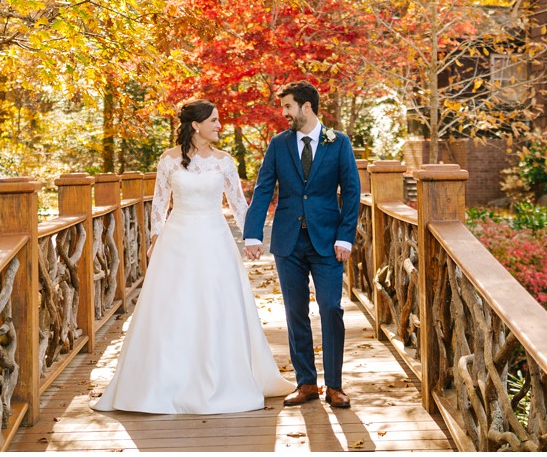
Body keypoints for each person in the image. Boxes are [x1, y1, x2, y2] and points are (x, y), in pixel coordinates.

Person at [92, 99, 292, 414]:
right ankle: (166, 382)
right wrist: (155, 238)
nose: (219, 125)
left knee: (217, 305)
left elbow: (240, 204)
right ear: (196, 125)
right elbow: (159, 204)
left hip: (215, 240)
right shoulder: (169, 160)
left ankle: (223, 378)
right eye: (214, 120)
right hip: (178, 241)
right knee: (175, 309)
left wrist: (252, 236)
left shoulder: (224, 161)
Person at [242, 80, 360, 409]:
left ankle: (334, 385)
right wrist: (252, 234)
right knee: (295, 312)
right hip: (288, 242)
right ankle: (306, 382)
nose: (284, 114)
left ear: (306, 107)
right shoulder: (278, 144)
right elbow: (264, 188)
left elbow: (351, 192)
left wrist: (345, 237)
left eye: (288, 107)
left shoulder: (339, 142)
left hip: (327, 242)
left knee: (331, 308)